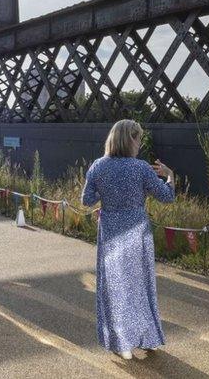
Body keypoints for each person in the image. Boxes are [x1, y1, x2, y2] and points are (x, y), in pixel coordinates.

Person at [80, 119, 176, 360]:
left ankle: (121, 344)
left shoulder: (98, 166)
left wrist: (106, 197)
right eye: (138, 138)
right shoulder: (141, 167)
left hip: (111, 230)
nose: (140, 143)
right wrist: (170, 175)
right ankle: (148, 337)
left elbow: (86, 200)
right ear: (131, 139)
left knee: (114, 287)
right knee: (140, 285)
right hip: (137, 232)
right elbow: (166, 197)